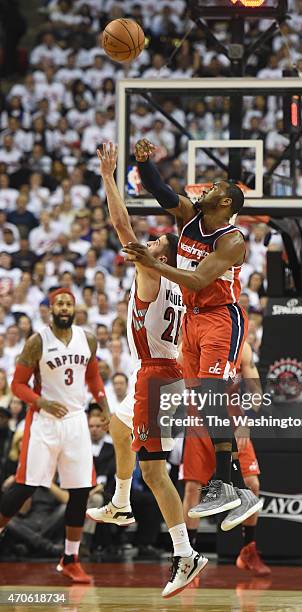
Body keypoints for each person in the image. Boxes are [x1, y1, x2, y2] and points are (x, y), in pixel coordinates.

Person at [86, 143, 207, 598]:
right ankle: (119, 503)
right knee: (118, 427)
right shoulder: (175, 281)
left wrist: (109, 175)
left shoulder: (153, 271)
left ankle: (185, 553)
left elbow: (120, 224)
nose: (149, 239)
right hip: (163, 371)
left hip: (156, 377)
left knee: (154, 473)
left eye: (157, 240)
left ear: (164, 253)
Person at [123, 138, 260, 525]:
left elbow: (199, 278)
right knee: (202, 401)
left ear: (226, 203)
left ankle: (230, 486)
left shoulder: (233, 241)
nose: (206, 188)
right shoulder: (190, 217)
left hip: (220, 316)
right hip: (192, 319)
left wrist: (152, 262)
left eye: (214, 188)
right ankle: (233, 488)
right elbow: (162, 191)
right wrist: (144, 164)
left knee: (215, 396)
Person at [0, 288, 111, 583]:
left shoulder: (86, 339)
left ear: (74, 309)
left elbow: (93, 376)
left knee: (80, 490)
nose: (64, 308)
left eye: (68, 304)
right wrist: (40, 402)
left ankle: (70, 558)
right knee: (26, 486)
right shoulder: (38, 342)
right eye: (59, 303)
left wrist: (104, 405)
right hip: (44, 421)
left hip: (76, 421)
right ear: (50, 309)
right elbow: (18, 384)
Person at [181, 342, 268, 574]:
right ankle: (189, 558)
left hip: (231, 419)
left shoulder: (242, 347)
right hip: (198, 422)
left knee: (252, 484)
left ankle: (248, 551)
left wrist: (246, 421)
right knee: (192, 489)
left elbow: (256, 392)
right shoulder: (189, 344)